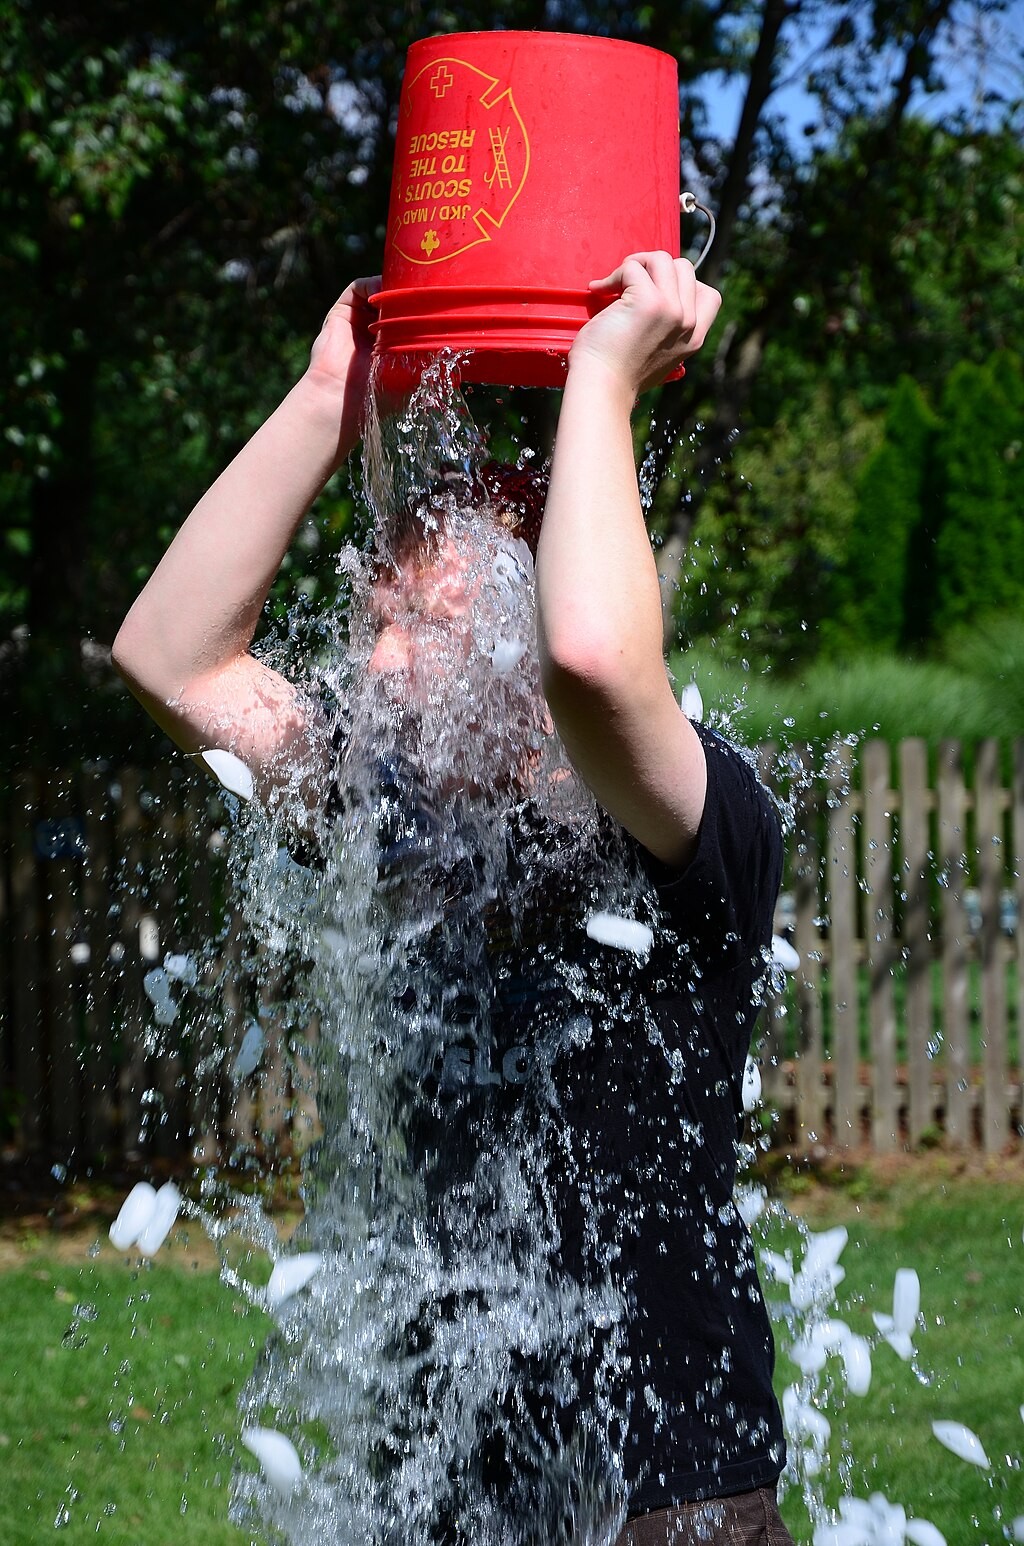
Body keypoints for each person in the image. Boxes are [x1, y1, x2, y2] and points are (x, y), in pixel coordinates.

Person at [112, 253, 794, 1546]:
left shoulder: (690, 825)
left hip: (668, 1504)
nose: (375, 654)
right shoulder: (407, 818)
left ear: (521, 633)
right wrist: (329, 394)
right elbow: (173, 657)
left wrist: (601, 377)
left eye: (423, 617)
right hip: (454, 1496)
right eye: (378, 610)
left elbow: (597, 660)